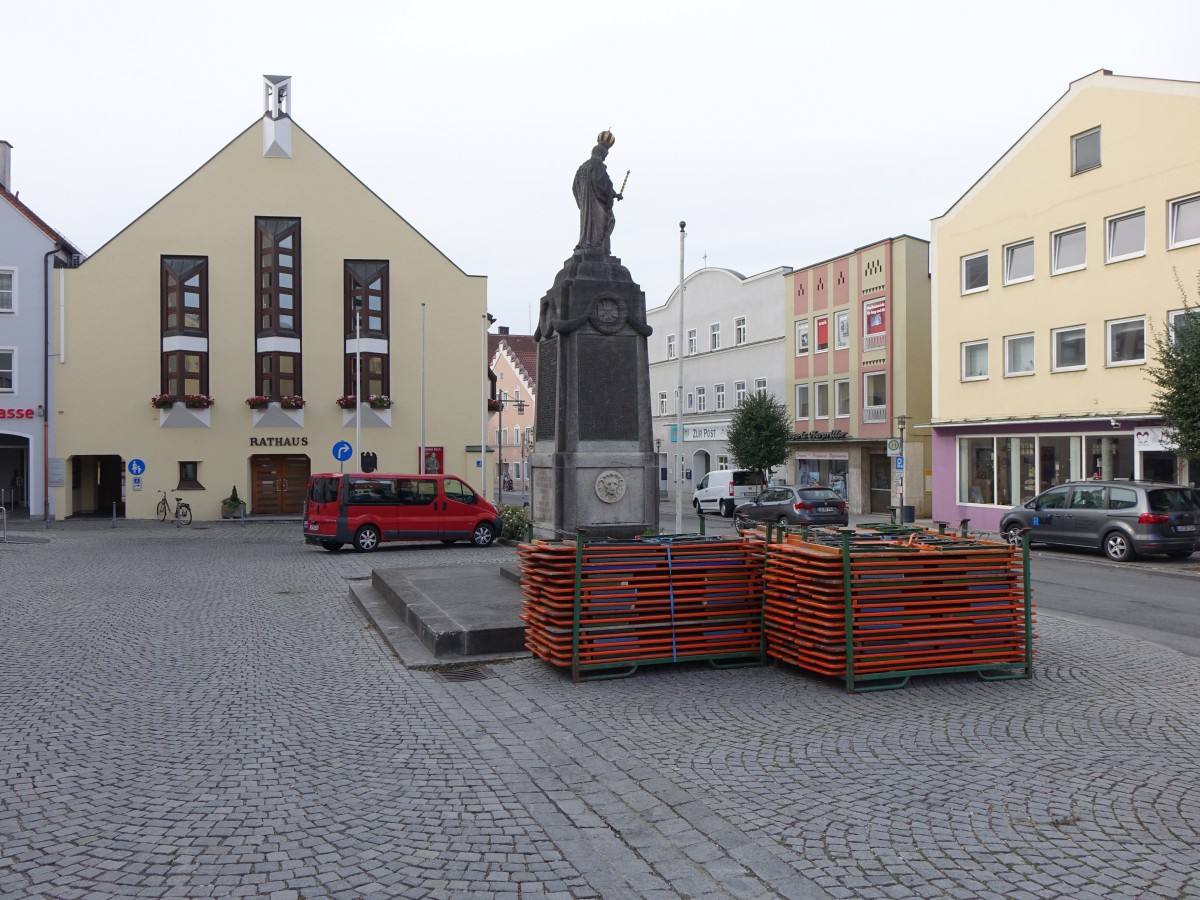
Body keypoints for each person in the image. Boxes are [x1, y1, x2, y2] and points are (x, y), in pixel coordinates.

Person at [573, 130, 623, 256]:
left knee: (589, 228)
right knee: (609, 221)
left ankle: (588, 243)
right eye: (606, 153)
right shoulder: (597, 165)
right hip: (597, 206)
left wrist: (583, 202)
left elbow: (575, 187)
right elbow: (602, 184)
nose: (606, 156)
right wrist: (611, 194)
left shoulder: (582, 167)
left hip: (587, 207)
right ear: (601, 152)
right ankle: (598, 247)